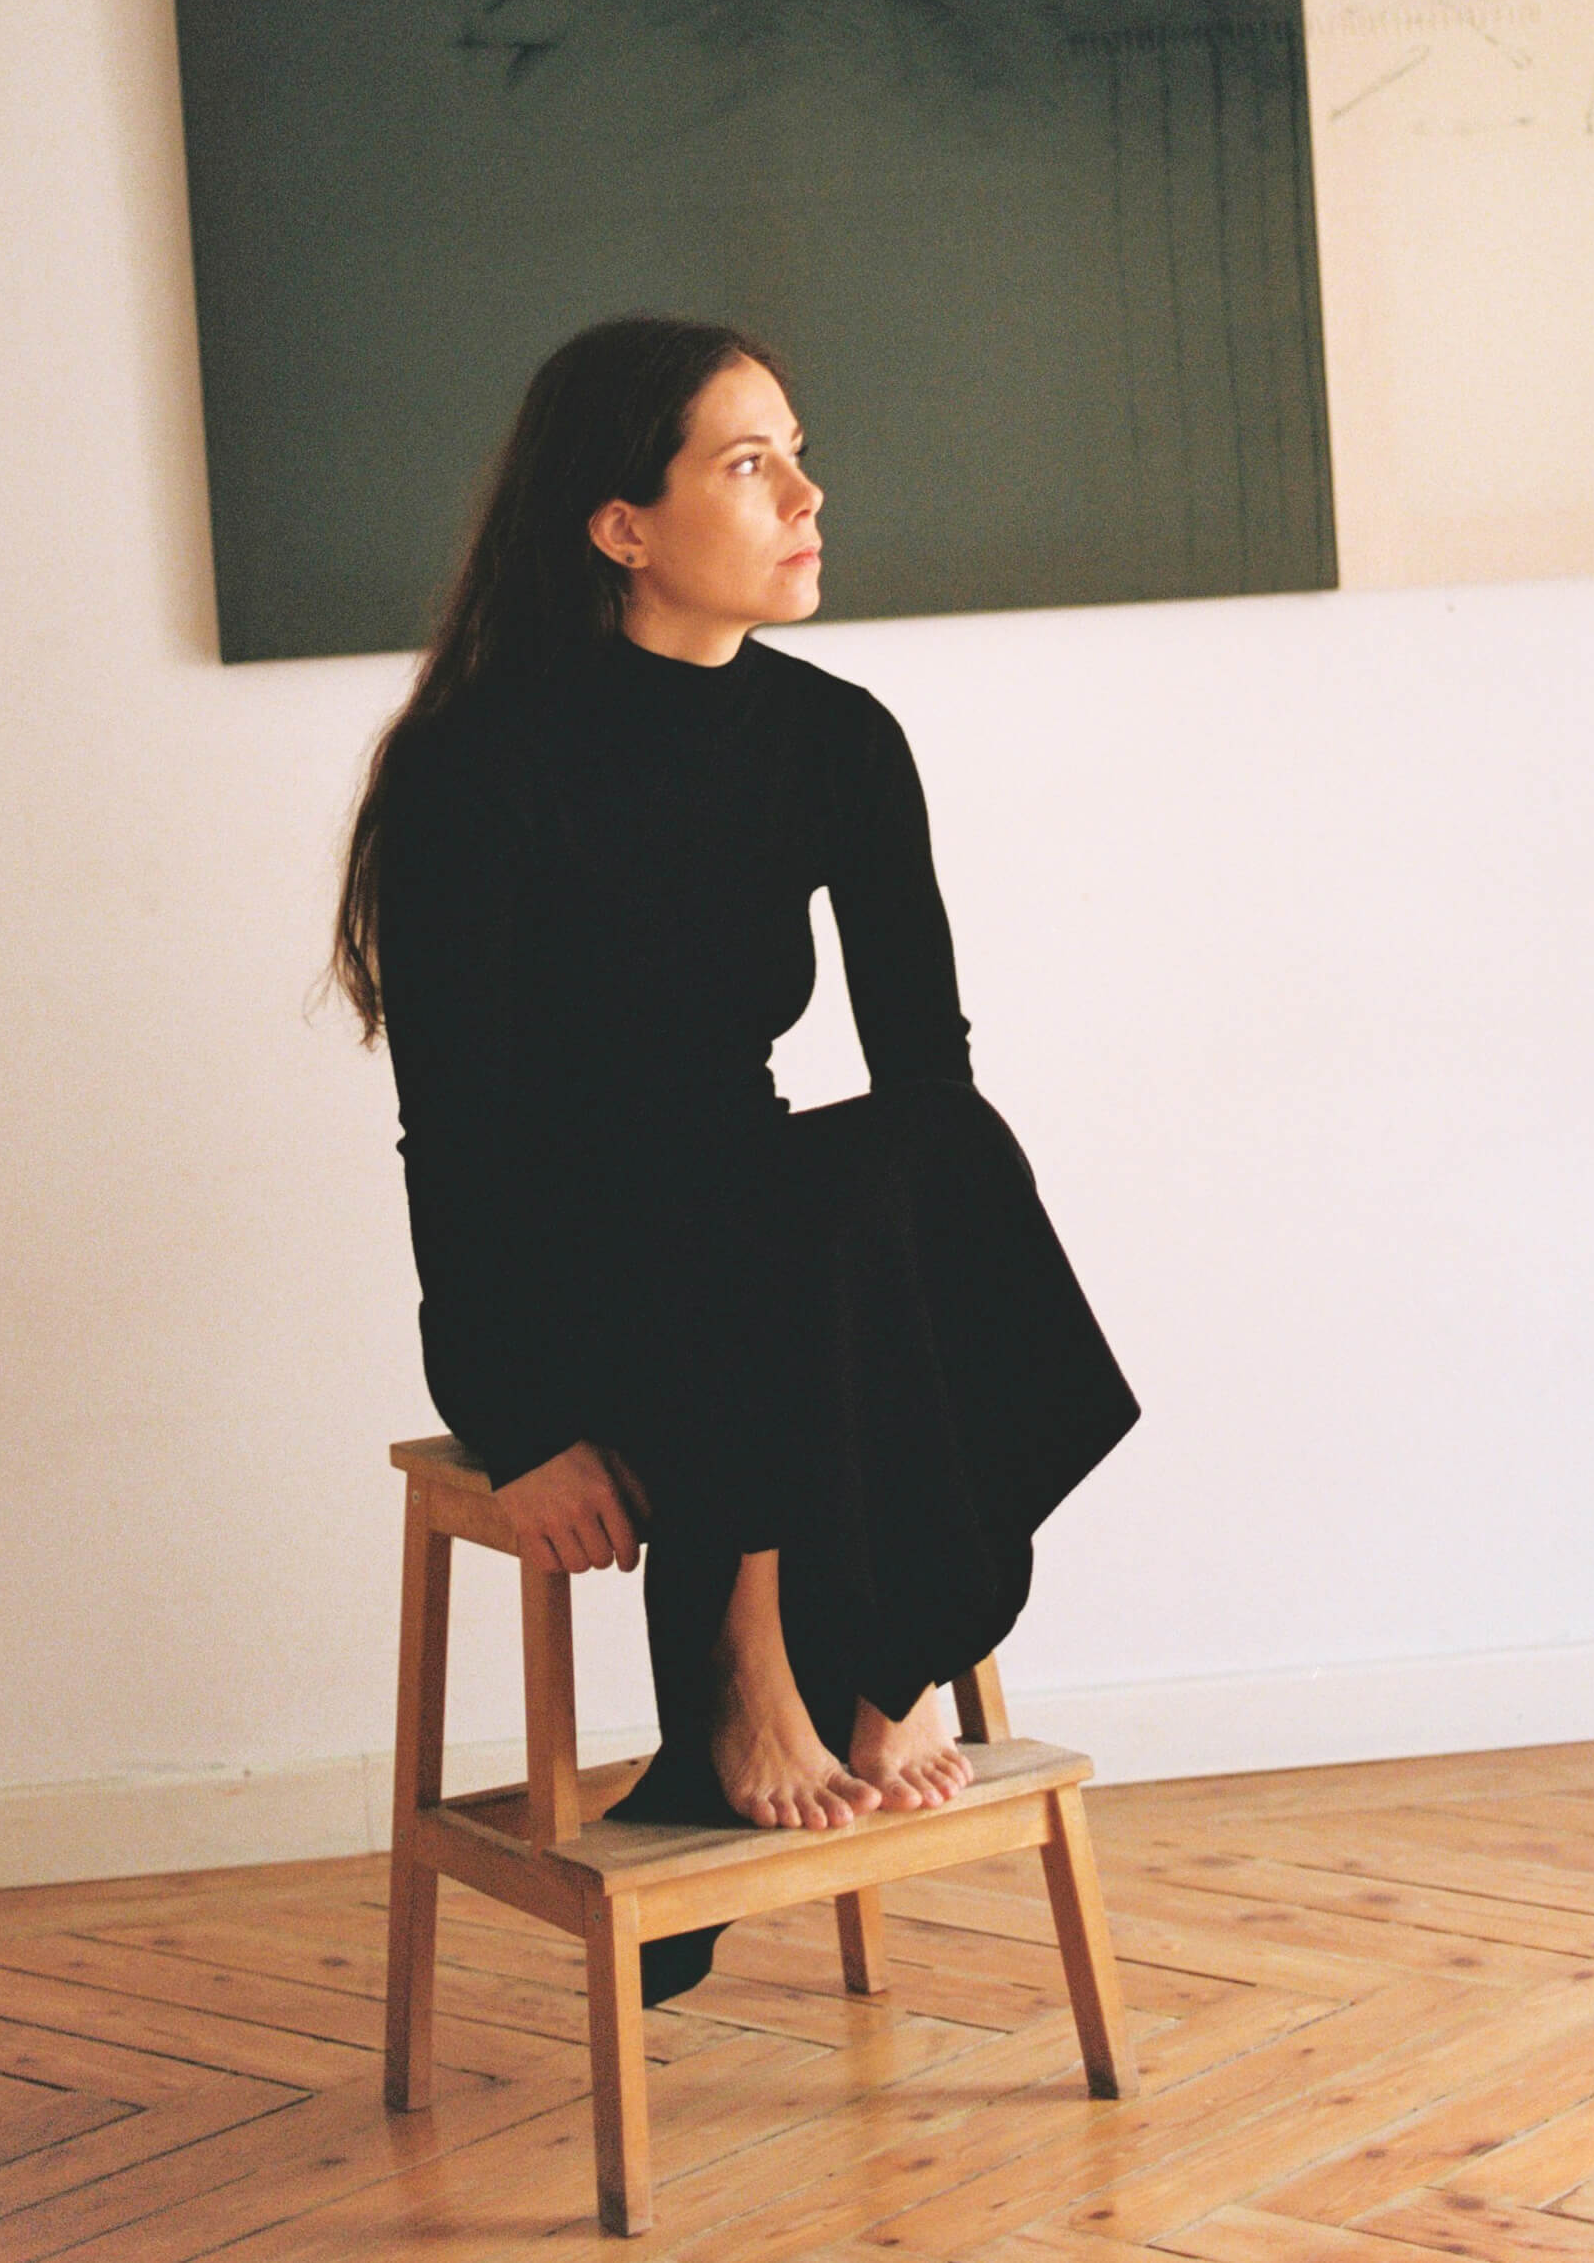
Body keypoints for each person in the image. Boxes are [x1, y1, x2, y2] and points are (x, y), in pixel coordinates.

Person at [331, 314, 1140, 2004]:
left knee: (933, 1141)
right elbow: (456, 1129)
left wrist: (913, 1223)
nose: (805, 496)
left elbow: (925, 1070)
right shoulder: (477, 764)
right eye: (749, 463)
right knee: (773, 1217)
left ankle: (882, 1658)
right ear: (620, 523)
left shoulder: (837, 736)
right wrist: (517, 1417)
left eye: (796, 454)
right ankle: (748, 1669)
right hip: (577, 1264)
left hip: (766, 1243)